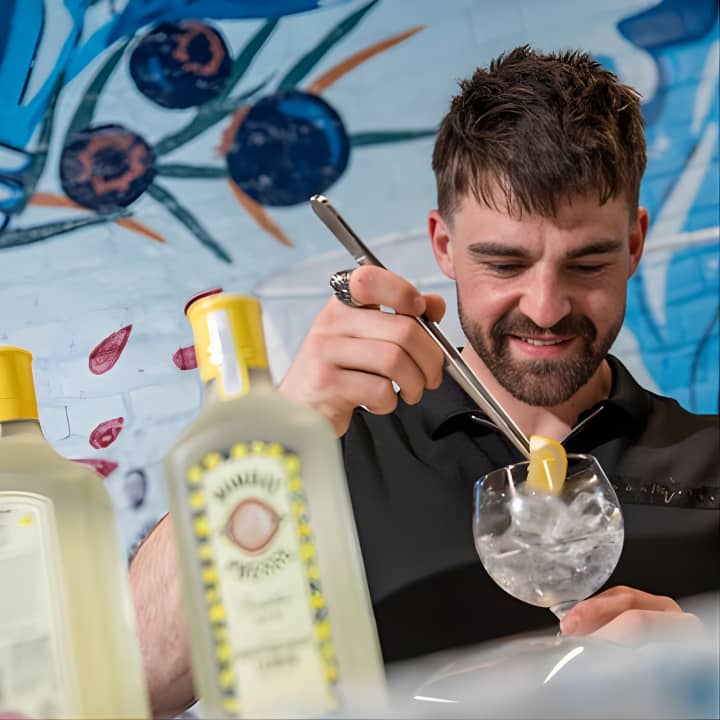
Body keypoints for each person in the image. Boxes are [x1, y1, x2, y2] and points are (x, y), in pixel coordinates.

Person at [129, 46, 719, 716]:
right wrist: (280, 434)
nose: (546, 308)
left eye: (587, 264)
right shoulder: (333, 456)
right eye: (504, 264)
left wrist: (706, 671)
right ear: (443, 246)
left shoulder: (710, 458)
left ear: (635, 244)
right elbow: (138, 683)